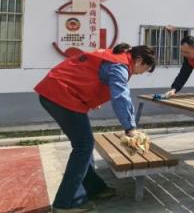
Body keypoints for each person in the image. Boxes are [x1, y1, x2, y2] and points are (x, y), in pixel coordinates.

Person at [34, 43, 156, 213]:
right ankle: (66, 203)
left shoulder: (115, 56)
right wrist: (130, 128)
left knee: (85, 144)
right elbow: (121, 97)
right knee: (83, 146)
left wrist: (91, 98)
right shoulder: (120, 66)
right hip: (60, 95)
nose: (139, 73)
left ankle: (93, 188)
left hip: (58, 92)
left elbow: (89, 74)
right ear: (140, 60)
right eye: (143, 69)